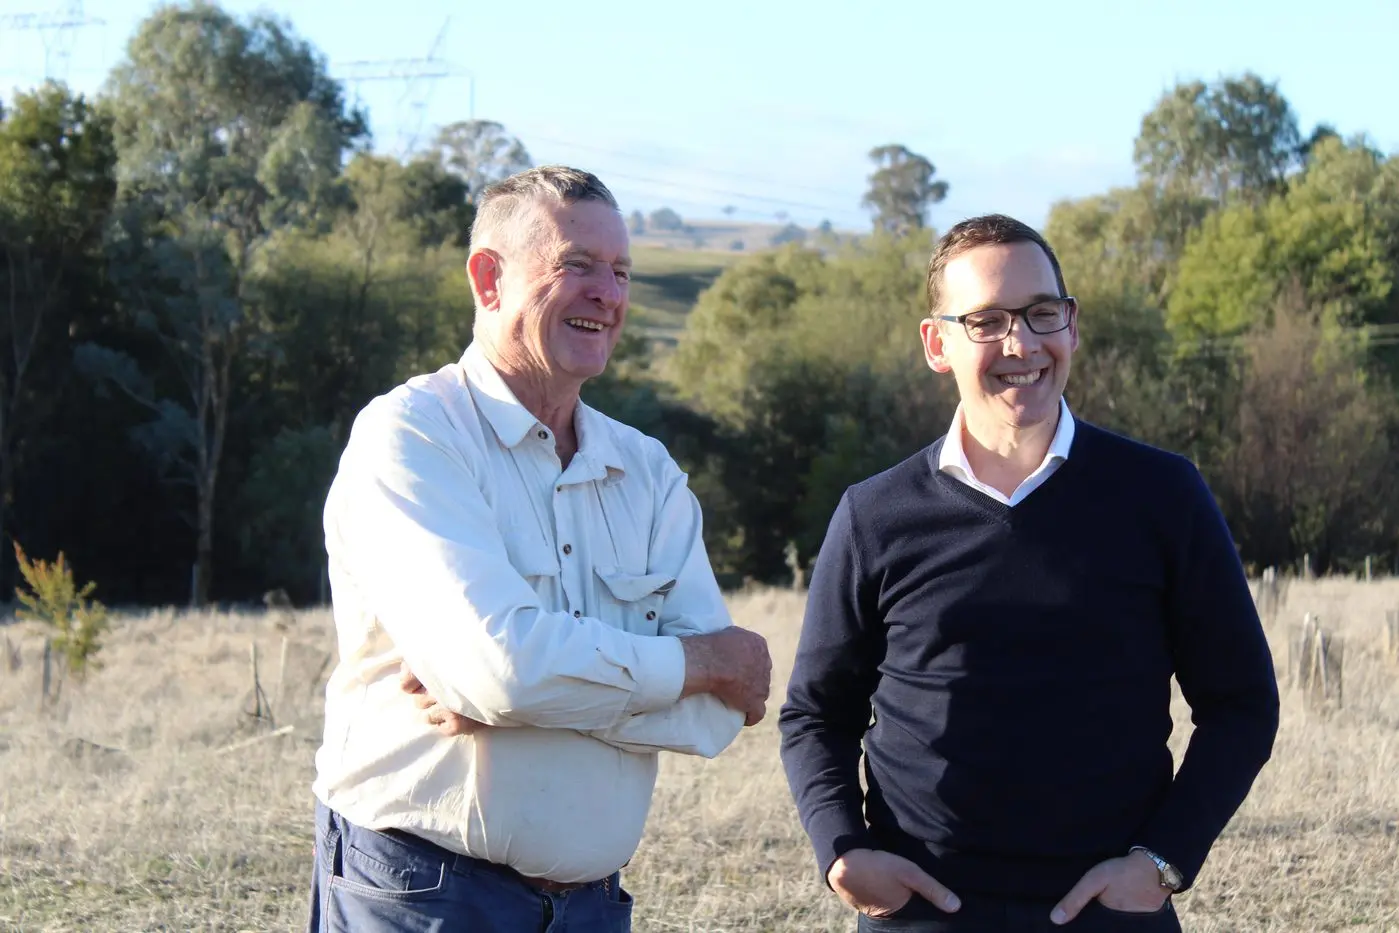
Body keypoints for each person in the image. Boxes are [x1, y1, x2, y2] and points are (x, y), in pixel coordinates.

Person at [778, 214, 1280, 932]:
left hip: (1112, 914)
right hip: (922, 915)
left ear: (1071, 325)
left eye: (1041, 313)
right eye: (985, 320)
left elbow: (1241, 704)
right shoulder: (874, 514)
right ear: (936, 343)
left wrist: (1163, 859)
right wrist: (841, 848)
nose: (1021, 344)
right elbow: (816, 713)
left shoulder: (1162, 495)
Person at [306, 165, 772, 933]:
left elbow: (714, 721)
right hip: (420, 892)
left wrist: (515, 701)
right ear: (488, 278)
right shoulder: (412, 436)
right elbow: (505, 671)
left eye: (619, 271)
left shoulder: (646, 471)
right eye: (575, 265)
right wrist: (694, 664)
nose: (608, 294)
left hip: (592, 904)